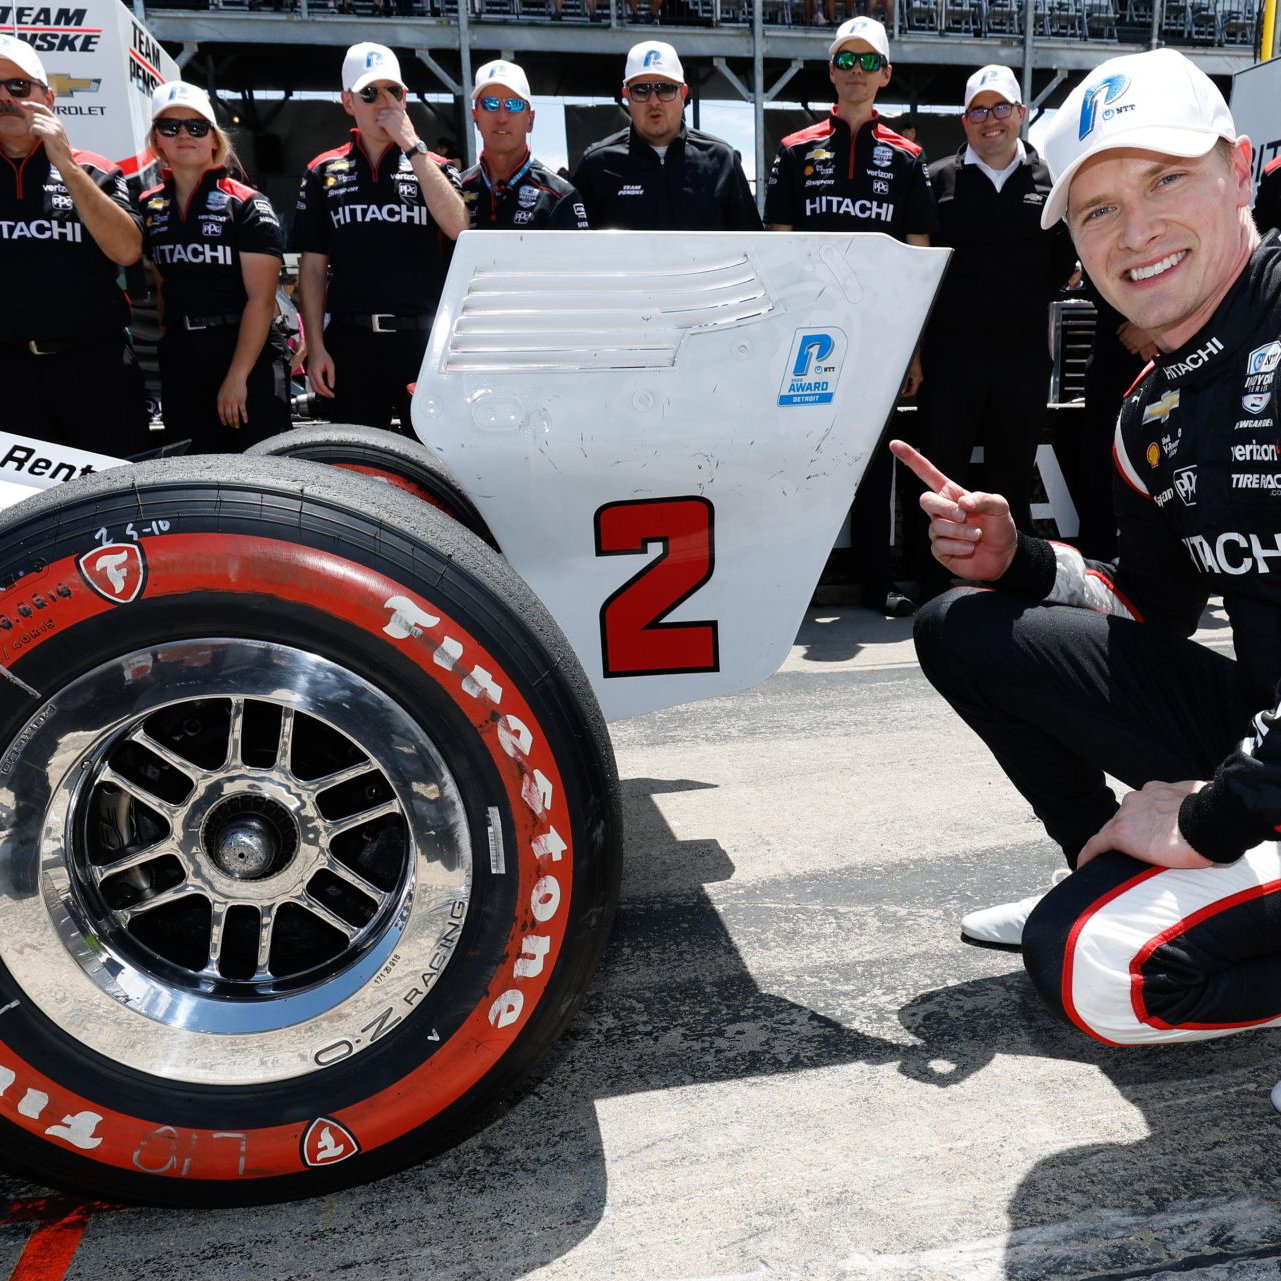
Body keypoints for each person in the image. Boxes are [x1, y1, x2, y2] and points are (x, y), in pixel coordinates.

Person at [893, 47, 1281, 1048]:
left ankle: (1150, 891)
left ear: (1241, 172)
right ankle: (1105, 867)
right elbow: (1151, 607)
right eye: (1097, 208)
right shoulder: (1150, 409)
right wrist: (1018, 559)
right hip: (1269, 734)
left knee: (1099, 968)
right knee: (963, 626)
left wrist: (1210, 822)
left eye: (1165, 180)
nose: (1135, 230)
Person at [764, 16, 936, 617]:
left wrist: (911, 349)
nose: (856, 72)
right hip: (810, 335)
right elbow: (779, 251)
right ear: (831, 70)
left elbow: (916, 262)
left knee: (871, 461)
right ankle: (791, 581)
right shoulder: (794, 150)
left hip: (877, 339)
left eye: (869, 62)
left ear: (884, 75)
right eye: (846, 60)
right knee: (802, 457)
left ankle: (872, 582)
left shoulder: (909, 159)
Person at [907, 65, 1076, 598]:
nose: (991, 120)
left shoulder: (1052, 183)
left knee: (1010, 474)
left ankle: (1016, 584)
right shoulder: (936, 179)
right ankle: (930, 581)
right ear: (964, 120)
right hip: (950, 357)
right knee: (940, 472)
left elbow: (1061, 266)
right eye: (978, 110)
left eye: (1001, 107)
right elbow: (918, 272)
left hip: (1022, 357)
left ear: (1022, 113)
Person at [291, 42, 467, 432]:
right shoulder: (322, 170)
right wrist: (316, 347)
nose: (384, 102)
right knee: (358, 461)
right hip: (352, 343)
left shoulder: (434, 165)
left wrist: (413, 146)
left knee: (431, 458)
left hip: (422, 341)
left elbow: (459, 228)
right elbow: (313, 269)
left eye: (394, 91)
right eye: (369, 93)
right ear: (348, 101)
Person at [0, 33, 146, 451]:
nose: (6, 97)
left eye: (18, 86)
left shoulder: (96, 170)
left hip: (95, 369)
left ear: (48, 99)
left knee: (112, 501)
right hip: (8, 376)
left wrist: (64, 163)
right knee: (17, 511)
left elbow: (126, 250)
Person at [140, 81, 289, 453]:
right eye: (170, 127)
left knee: (264, 471)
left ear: (214, 138)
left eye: (196, 126)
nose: (184, 135)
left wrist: (237, 377)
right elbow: (161, 286)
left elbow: (262, 299)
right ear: (157, 140)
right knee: (192, 471)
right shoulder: (147, 205)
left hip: (246, 352)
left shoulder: (247, 203)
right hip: (183, 354)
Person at [571, 41, 761, 232]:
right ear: (626, 95)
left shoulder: (722, 160)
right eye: (641, 90)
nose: (654, 101)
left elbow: (752, 247)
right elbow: (574, 252)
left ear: (683, 94)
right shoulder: (596, 164)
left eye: (665, 88)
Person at [460, 60, 589, 230]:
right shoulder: (455, 191)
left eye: (514, 105)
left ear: (531, 119)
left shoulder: (560, 197)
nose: (502, 118)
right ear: (475, 116)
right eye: (490, 104)